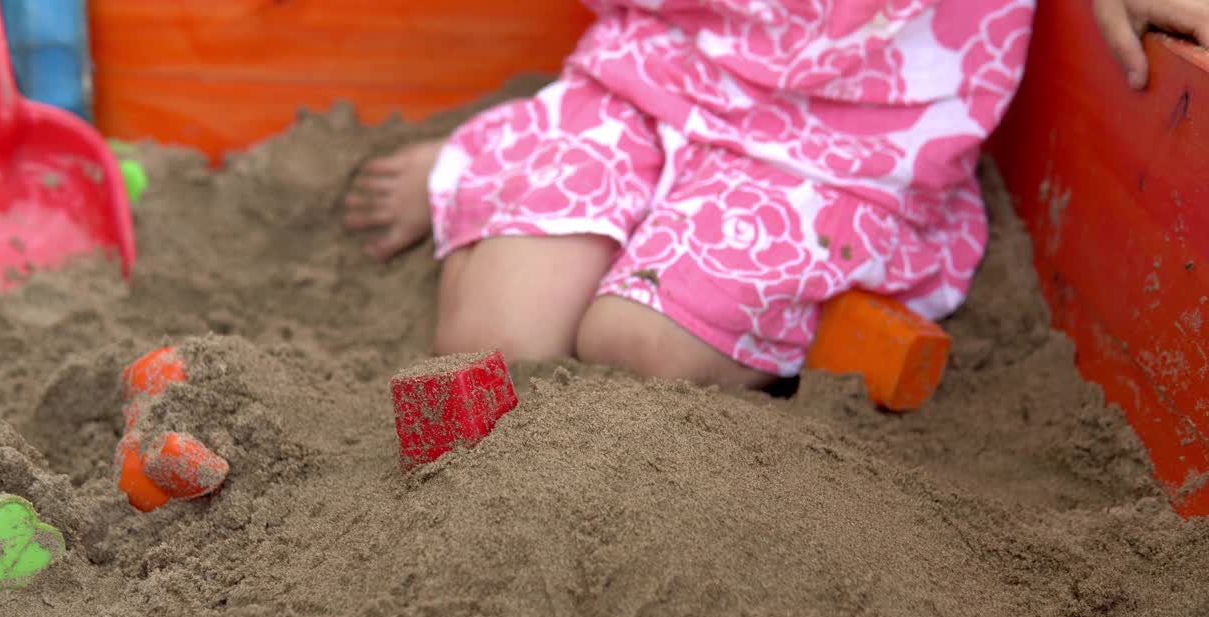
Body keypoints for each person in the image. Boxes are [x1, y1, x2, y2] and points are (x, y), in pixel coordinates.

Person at [343, 0, 1209, 390]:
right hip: (668, 59)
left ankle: (505, 175)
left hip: (851, 117)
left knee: (637, 343)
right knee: (495, 345)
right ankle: (491, 159)